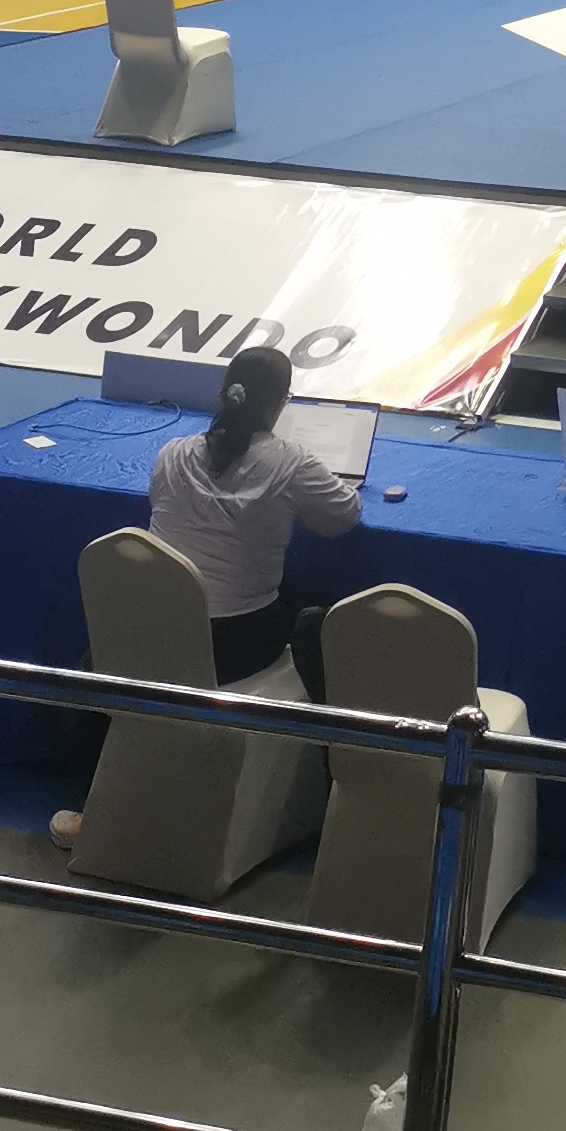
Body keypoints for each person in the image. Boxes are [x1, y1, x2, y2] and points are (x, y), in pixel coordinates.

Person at [49, 347, 361, 847]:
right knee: (306, 609)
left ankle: (93, 810)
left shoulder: (172, 453)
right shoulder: (292, 463)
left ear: (223, 394)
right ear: (280, 403)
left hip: (150, 632)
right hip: (235, 645)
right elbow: (344, 516)